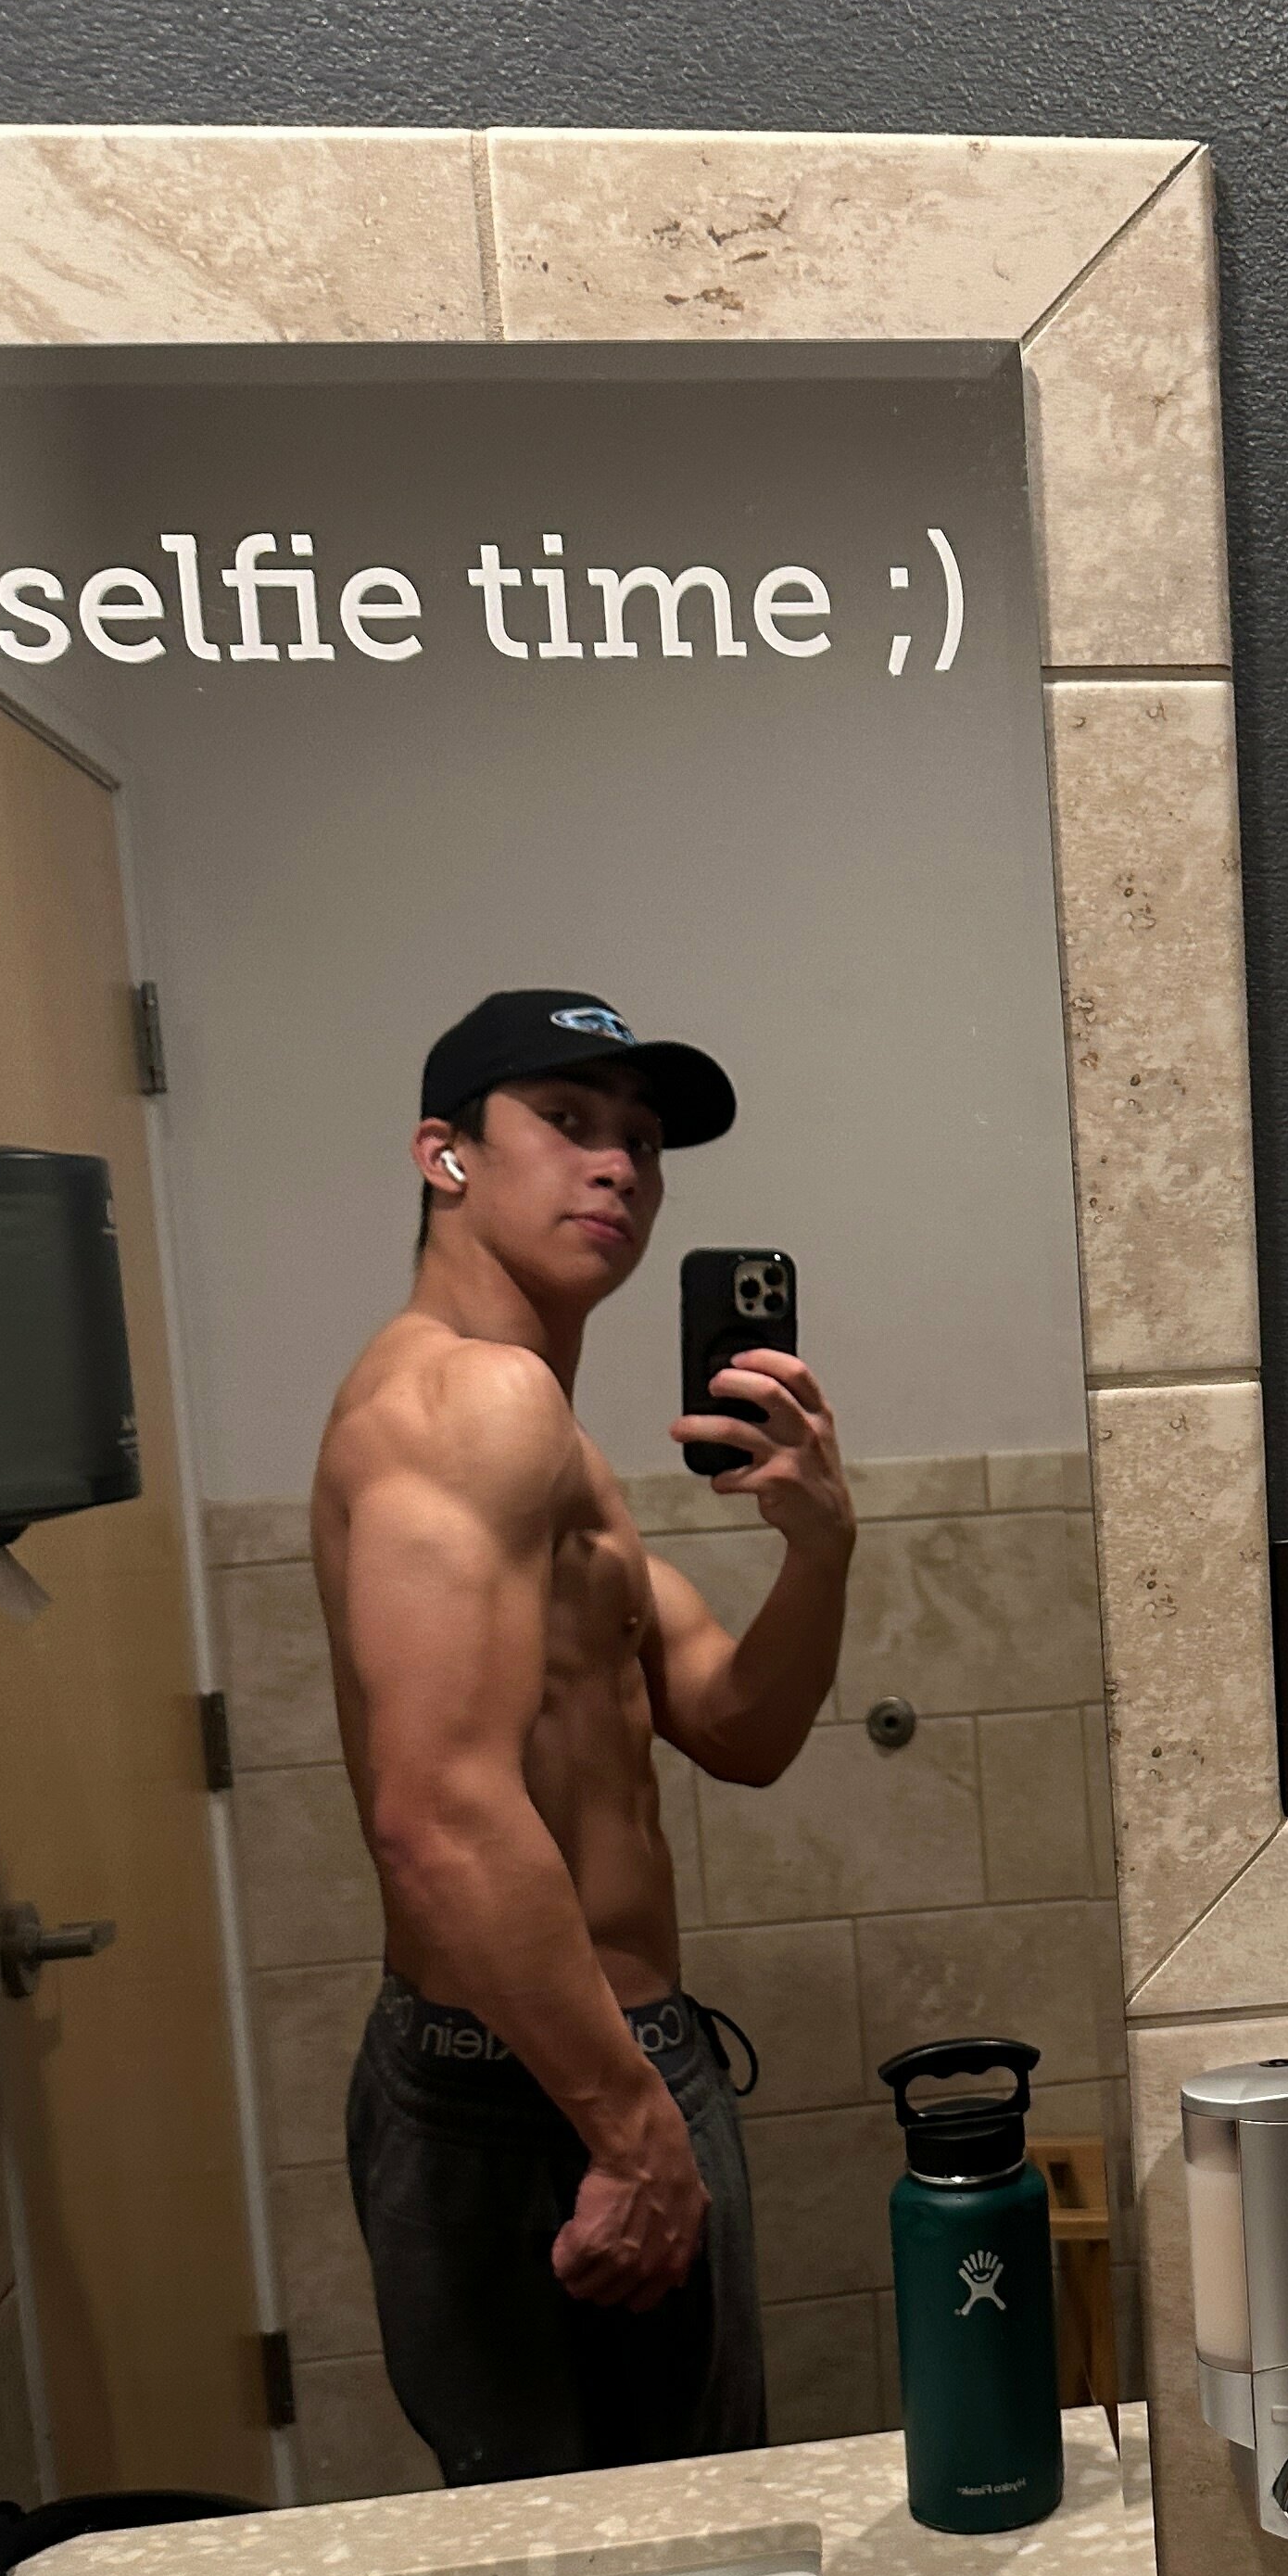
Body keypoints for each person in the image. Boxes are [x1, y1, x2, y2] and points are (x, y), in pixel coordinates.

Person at [312, 988, 853, 2484]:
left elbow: (737, 1728)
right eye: (564, 1122)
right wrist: (625, 2126)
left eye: (642, 1141)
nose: (617, 1164)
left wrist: (822, 1551)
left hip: (588, 2065)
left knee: (666, 2537)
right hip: (539, 2084)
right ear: (446, 1155)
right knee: (612, 2562)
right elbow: (434, 1816)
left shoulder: (546, 1436)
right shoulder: (467, 1398)